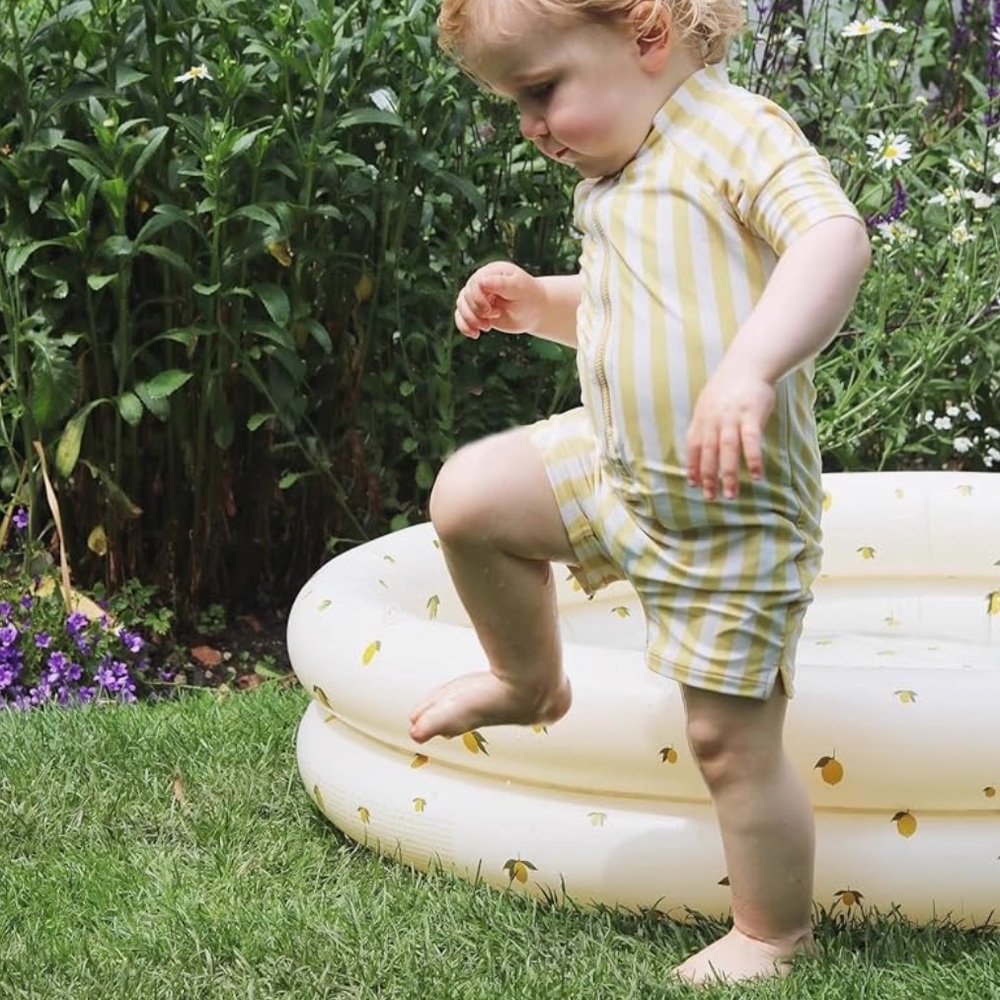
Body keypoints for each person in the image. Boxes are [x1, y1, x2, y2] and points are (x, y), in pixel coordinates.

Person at [409, 0, 871, 984]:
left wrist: (750, 370)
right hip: (617, 472)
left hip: (728, 510)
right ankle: (531, 680)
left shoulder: (734, 133)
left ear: (647, 38)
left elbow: (833, 241)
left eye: (542, 91)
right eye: (515, 102)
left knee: (726, 741)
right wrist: (540, 304)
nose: (531, 124)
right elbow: (636, 314)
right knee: (471, 499)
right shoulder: (619, 177)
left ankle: (772, 932)